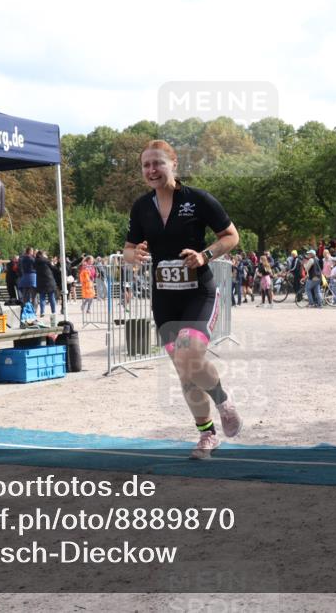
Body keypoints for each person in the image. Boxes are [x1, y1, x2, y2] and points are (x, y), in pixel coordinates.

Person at [123, 140, 242, 459]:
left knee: (190, 353)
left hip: (199, 293)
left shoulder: (198, 199)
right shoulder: (141, 206)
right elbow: (128, 249)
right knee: (184, 369)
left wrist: (205, 255)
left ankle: (223, 401)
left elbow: (231, 236)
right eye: (146, 165)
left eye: (157, 163)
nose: (151, 170)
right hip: (164, 299)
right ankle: (207, 434)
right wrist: (135, 255)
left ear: (173, 164)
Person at [35, 251, 58, 318]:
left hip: (40, 281)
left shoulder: (35, 261)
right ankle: (53, 311)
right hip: (49, 280)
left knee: (42, 297)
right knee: (51, 297)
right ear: (42, 255)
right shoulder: (46, 261)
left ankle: (42, 312)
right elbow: (53, 268)